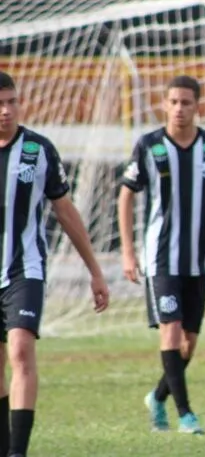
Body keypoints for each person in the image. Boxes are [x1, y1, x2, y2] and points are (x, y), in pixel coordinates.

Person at [118, 75, 205, 435]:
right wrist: (127, 251)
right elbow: (126, 194)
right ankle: (185, 414)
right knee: (170, 334)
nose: (179, 108)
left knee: (188, 344)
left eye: (186, 102)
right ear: (165, 104)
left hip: (199, 261)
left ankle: (157, 397)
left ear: (197, 105)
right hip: (161, 259)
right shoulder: (149, 145)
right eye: (173, 102)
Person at [0, 71, 110, 457]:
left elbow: (65, 211)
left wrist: (95, 271)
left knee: (20, 350)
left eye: (11, 102)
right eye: (0, 103)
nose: (6, 110)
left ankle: (18, 451)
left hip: (23, 271)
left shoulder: (39, 150)